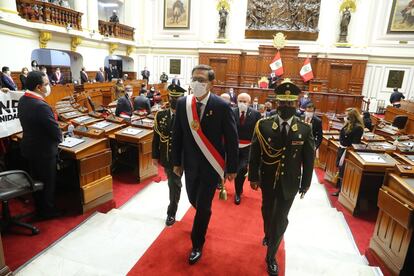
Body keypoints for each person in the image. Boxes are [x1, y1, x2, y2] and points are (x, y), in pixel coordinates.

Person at [172, 64, 238, 265]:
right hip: (190, 165)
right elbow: (178, 135)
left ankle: (197, 243)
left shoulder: (222, 106)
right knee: (193, 198)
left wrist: (232, 168)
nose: (197, 83)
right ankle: (201, 220)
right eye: (194, 79)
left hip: (211, 166)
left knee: (203, 207)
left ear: (211, 83)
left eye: (201, 80)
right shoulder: (183, 103)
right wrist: (176, 162)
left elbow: (232, 138)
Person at [248, 80, 315, 276]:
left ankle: (271, 257)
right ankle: (268, 234)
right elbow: (255, 153)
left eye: (290, 103)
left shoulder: (304, 129)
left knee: (280, 218)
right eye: (282, 103)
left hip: (290, 182)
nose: (286, 107)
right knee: (267, 211)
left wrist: (306, 183)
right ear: (277, 104)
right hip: (268, 179)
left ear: (296, 105)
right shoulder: (264, 125)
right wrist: (253, 176)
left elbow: (308, 159)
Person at [18, 71, 63, 219]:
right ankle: (48, 212)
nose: (49, 87)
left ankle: (40, 207)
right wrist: (61, 137)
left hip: (29, 147)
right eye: (46, 84)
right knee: (47, 184)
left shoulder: (23, 99)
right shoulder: (41, 106)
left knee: (36, 182)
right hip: (44, 152)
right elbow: (55, 132)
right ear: (38, 87)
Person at [152, 84, 186, 226]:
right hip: (168, 157)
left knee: (179, 185)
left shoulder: (187, 116)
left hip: (185, 157)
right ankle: (171, 213)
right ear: (168, 97)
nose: (174, 100)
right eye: (172, 98)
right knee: (174, 184)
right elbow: (156, 138)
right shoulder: (161, 115)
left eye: (177, 98)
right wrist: (155, 156)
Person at [233, 93, 261, 205]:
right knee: (234, 168)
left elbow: (258, 133)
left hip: (248, 147)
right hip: (234, 146)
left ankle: (238, 192)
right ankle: (237, 189)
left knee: (241, 170)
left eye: (244, 101)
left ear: (249, 103)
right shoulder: (231, 112)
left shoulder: (256, 114)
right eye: (240, 101)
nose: (242, 103)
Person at [332, 108, 364, 197]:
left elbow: (355, 143)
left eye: (347, 116)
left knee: (343, 170)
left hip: (347, 151)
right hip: (341, 148)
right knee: (339, 167)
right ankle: (339, 187)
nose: (345, 117)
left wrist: (345, 146)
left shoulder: (358, 127)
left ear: (352, 117)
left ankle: (341, 190)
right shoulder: (348, 124)